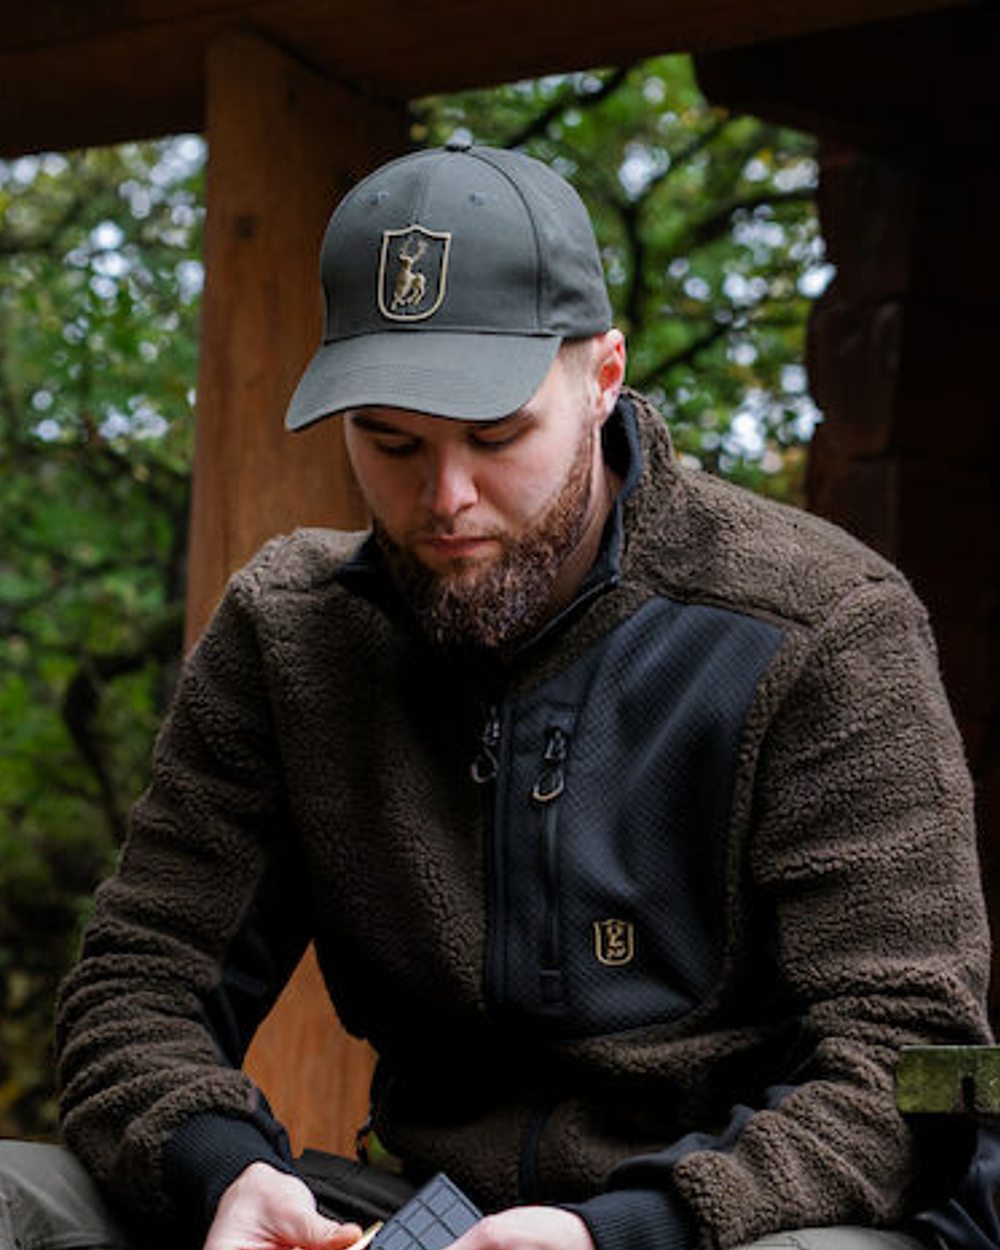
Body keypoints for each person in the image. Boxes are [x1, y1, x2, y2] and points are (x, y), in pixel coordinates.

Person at [1, 141, 992, 1250]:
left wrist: (623, 1229)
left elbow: (926, 1071)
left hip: (752, 1220)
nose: (445, 497)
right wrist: (222, 1173)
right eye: (390, 442)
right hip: (424, 1216)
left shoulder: (827, 625)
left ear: (603, 375)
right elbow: (134, 990)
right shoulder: (288, 634)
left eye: (496, 435)